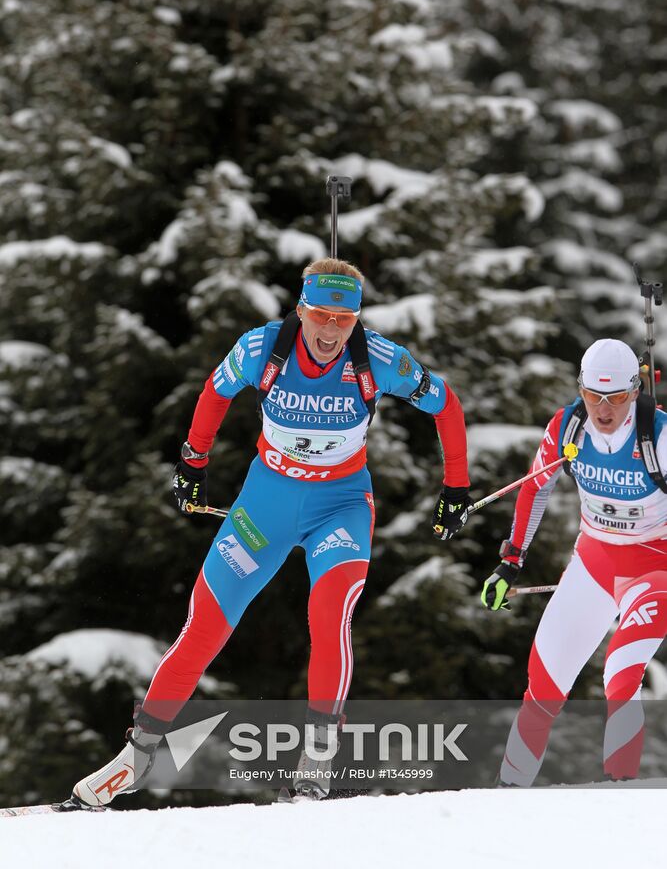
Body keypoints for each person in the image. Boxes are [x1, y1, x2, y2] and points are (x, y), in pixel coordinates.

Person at [72, 258, 471, 806]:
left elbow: (446, 405)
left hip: (342, 508)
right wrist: (193, 463)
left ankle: (316, 761)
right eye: (321, 315)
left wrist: (456, 488)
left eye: (345, 318)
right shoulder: (263, 348)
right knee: (205, 626)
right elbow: (215, 390)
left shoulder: (378, 358)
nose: (331, 330)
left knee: (329, 616)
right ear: (301, 309)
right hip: (266, 505)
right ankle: (137, 756)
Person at [481, 338, 667, 785]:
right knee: (543, 686)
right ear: (580, 389)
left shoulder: (659, 436)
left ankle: (619, 796)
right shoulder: (567, 428)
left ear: (636, 391)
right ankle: (506, 796)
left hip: (654, 566)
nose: (604, 410)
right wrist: (511, 562)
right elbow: (534, 488)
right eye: (593, 396)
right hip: (595, 561)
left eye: (617, 398)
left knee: (621, 674)